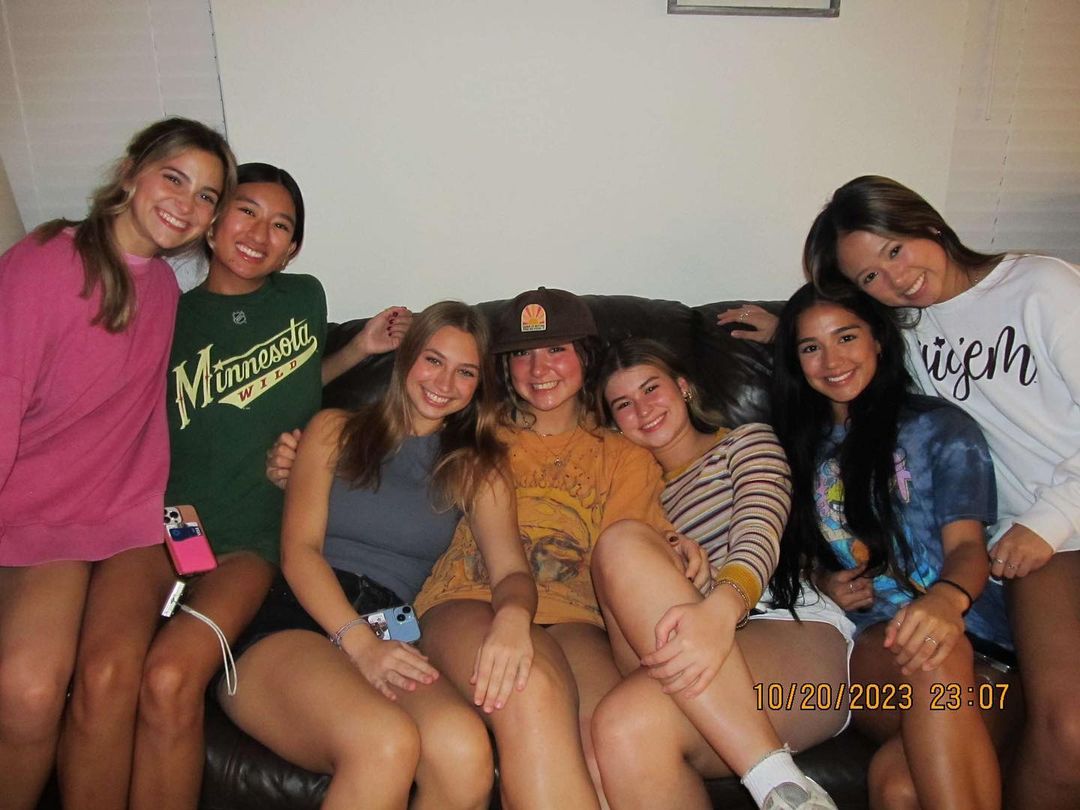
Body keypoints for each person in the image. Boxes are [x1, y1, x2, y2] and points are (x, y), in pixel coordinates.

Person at [128, 162, 409, 809]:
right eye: (246, 211)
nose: (259, 234)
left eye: (280, 226)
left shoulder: (304, 300)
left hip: (250, 545)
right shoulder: (168, 315)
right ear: (212, 222)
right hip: (164, 533)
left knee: (169, 675)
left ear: (293, 248)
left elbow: (295, 383)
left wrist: (356, 352)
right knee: (115, 677)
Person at [800, 175, 1080, 809]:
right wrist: (787, 337)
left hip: (1049, 524)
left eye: (895, 251)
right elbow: (845, 356)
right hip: (1032, 550)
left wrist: (1053, 517)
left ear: (925, 223)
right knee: (1067, 731)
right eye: (870, 277)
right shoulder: (910, 333)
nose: (895, 281)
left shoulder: (1043, 287)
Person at [0, 117, 236, 810]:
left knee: (107, 679)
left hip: (127, 518)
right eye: (174, 179)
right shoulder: (44, 262)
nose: (186, 205)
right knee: (29, 691)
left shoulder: (163, 290)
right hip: (37, 517)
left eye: (206, 196)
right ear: (131, 171)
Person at [221, 301, 528, 810]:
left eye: (465, 372)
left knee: (464, 751)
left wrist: (514, 615)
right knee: (384, 742)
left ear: (479, 386)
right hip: (298, 617)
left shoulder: (478, 468)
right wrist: (361, 645)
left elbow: (512, 570)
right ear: (407, 357)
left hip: (392, 627)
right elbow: (299, 551)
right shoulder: (333, 429)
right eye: (433, 360)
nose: (444, 382)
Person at [414, 288, 714, 809]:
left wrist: (678, 549)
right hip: (472, 598)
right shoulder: (476, 431)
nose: (539, 369)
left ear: (586, 357)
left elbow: (633, 544)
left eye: (557, 349)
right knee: (524, 686)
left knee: (607, 747)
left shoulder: (624, 455)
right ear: (504, 368)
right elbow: (393, 442)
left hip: (576, 619)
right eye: (522, 354)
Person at [771, 283, 1012, 809]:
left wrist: (945, 600)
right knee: (928, 655)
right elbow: (793, 556)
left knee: (898, 783)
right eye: (810, 347)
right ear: (796, 361)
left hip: (988, 660)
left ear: (878, 339)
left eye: (846, 337)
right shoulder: (794, 450)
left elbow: (968, 547)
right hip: (878, 656)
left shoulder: (939, 428)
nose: (831, 360)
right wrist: (823, 581)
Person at [588, 337, 850, 810]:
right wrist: (677, 565)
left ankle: (780, 787)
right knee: (621, 542)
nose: (643, 409)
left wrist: (721, 605)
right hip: (673, 646)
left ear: (683, 387)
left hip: (784, 626)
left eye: (651, 388)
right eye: (623, 404)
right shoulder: (632, 494)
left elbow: (759, 526)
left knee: (624, 724)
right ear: (613, 424)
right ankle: (780, 786)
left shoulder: (745, 442)